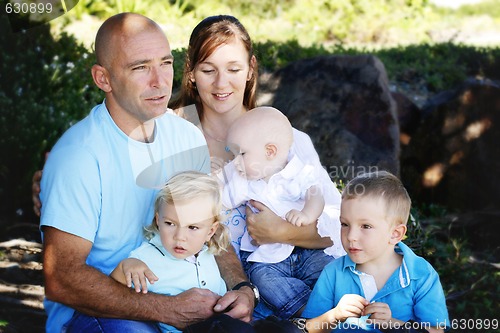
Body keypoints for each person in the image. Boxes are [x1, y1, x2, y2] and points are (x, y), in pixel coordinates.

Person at [34, 13, 339, 322]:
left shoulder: (278, 137)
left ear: (250, 70)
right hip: (166, 293)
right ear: (191, 73)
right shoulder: (177, 130)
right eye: (208, 70)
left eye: (233, 68)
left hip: (242, 290)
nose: (222, 83)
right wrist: (54, 183)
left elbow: (340, 228)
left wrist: (279, 237)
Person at [39, 13, 255, 333]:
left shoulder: (186, 137)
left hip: (179, 295)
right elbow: (62, 279)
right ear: (103, 78)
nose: (159, 80)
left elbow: (210, 229)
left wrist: (241, 288)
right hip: (102, 313)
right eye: (140, 67)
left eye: (165, 63)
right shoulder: (78, 157)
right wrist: (166, 309)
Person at [217, 106, 345, 319]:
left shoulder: (297, 172)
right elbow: (221, 197)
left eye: (242, 154)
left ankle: (343, 308)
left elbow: (316, 195)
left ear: (270, 151)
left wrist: (306, 215)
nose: (236, 162)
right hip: (268, 258)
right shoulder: (242, 180)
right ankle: (307, 313)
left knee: (329, 270)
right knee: (262, 280)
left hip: (307, 251)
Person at [293, 171, 450, 333]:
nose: (351, 236)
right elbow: (308, 328)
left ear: (395, 234)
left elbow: (435, 330)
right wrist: (333, 316)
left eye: (366, 226)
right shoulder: (333, 273)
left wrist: (393, 324)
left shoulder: (421, 273)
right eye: (345, 224)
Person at [110, 171, 239, 333]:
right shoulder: (145, 257)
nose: (180, 237)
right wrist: (126, 266)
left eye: (192, 227)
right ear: (158, 221)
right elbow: (115, 287)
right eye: (170, 223)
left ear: (210, 231)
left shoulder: (208, 252)